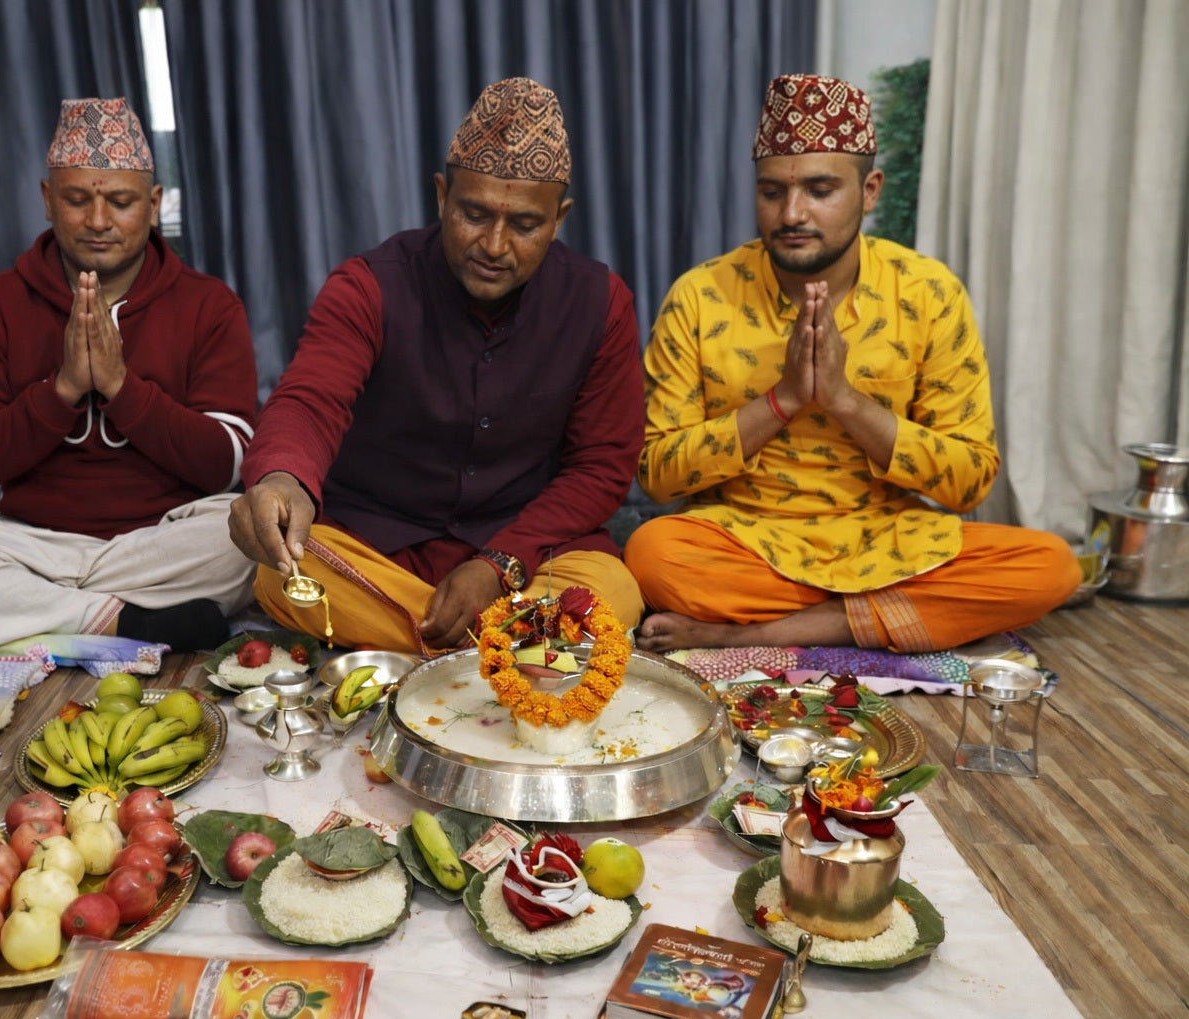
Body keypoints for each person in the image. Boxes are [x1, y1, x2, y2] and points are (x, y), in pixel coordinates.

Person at [626, 74, 1078, 654]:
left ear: (869, 191)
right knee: (653, 554)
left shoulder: (928, 292)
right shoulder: (702, 294)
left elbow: (969, 479)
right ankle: (884, 618)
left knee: (1050, 566)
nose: (792, 212)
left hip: (887, 538)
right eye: (772, 192)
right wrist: (783, 400)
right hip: (743, 538)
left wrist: (844, 401)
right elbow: (656, 474)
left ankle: (760, 635)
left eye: (820, 190)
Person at [228, 77, 644, 653]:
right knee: (282, 575)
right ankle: (508, 650)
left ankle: (430, 645)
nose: (494, 245)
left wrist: (497, 565)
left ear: (558, 218)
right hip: (380, 543)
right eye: (474, 214)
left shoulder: (600, 302)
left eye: (524, 225)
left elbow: (600, 467)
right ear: (441, 196)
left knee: (615, 592)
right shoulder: (369, 286)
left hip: (523, 548)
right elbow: (309, 399)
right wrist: (281, 478)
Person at [0, 97, 257, 654]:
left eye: (120, 202)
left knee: (245, 536)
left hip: (164, 540)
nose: (98, 221)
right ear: (48, 200)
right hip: (33, 544)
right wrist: (64, 390)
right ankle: (127, 621)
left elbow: (227, 466)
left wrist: (123, 388)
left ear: (153, 205)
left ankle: (40, 610)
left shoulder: (210, 305)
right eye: (77, 200)